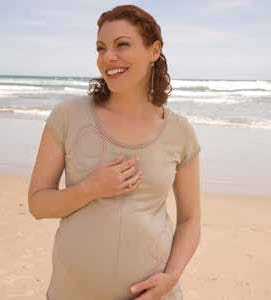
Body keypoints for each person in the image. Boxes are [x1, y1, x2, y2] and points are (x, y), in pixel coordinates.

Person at [28, 4, 201, 300]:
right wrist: (91, 188)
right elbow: (38, 204)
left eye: (122, 45)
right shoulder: (68, 116)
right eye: (100, 48)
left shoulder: (180, 132)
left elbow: (190, 220)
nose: (108, 57)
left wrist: (171, 277)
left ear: (154, 50)